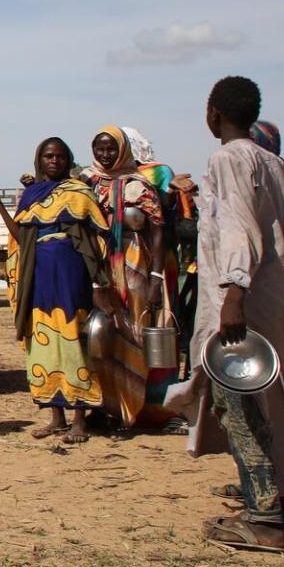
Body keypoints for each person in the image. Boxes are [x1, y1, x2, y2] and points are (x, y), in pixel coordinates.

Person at [170, 77, 284, 554]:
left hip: (241, 304)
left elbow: (238, 226)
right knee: (276, 401)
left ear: (213, 114)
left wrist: (234, 291)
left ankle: (265, 518)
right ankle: (283, 492)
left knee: (240, 405)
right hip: (274, 300)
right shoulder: (272, 163)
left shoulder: (228, 159)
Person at [0, 138, 117, 442]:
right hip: (39, 277)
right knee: (42, 343)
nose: (54, 161)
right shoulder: (32, 196)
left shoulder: (79, 192)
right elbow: (21, 237)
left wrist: (98, 283)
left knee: (74, 341)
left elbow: (96, 239)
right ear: (39, 160)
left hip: (71, 275)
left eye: (59, 156)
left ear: (68, 160)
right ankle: (56, 417)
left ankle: (80, 420)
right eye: (48, 156)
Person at [84, 125, 170, 427]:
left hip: (134, 266)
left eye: (111, 148)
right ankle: (102, 406)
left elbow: (157, 232)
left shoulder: (139, 185)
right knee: (98, 334)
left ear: (123, 150)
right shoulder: (86, 183)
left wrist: (156, 276)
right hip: (98, 265)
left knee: (132, 331)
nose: (105, 154)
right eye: (100, 148)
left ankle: (129, 409)